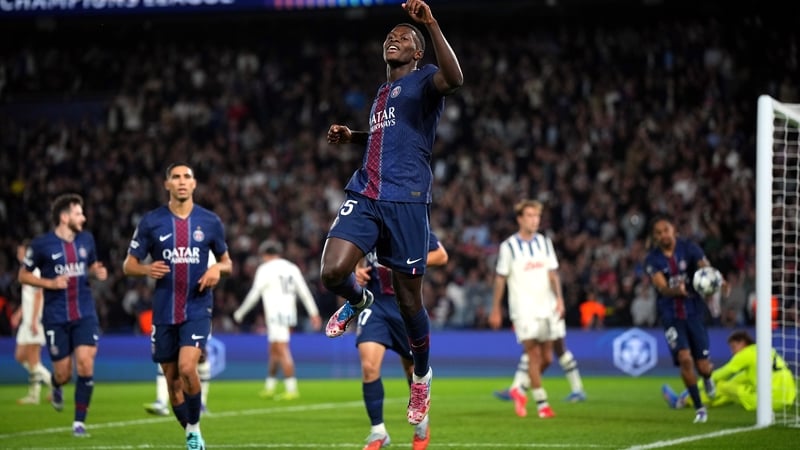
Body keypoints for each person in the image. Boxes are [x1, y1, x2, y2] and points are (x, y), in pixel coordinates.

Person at [319, 0, 462, 427]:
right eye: (389, 37)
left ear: (418, 52)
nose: (393, 40)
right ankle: (358, 299)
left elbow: (455, 78)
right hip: (366, 193)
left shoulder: (425, 82)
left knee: (407, 301)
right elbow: (388, 135)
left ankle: (421, 376)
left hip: (407, 199)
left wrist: (431, 23)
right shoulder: (381, 94)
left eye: (403, 38)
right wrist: (355, 136)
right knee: (331, 272)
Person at [123, 163, 232, 450]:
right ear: (167, 184)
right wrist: (146, 270)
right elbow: (128, 265)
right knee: (172, 383)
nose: (182, 182)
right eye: (176, 177)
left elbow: (227, 262)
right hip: (164, 310)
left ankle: (195, 429)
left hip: (197, 306)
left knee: (187, 368)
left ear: (194, 184)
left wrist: (216, 270)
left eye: (187, 177)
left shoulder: (210, 221)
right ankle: (189, 431)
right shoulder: (151, 221)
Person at [17, 193, 108, 437]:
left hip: (84, 312)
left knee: (86, 363)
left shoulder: (87, 240)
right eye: (79, 213)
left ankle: (79, 422)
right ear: (64, 217)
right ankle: (57, 385)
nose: (84, 218)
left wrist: (95, 271)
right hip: (56, 316)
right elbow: (23, 275)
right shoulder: (41, 245)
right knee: (63, 373)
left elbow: (89, 266)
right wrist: (50, 282)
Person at [358, 233, 447, 450]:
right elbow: (358, 254)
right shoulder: (370, 223)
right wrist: (357, 270)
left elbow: (441, 256)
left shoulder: (412, 222)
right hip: (374, 304)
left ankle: (421, 424)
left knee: (412, 370)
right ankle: (378, 431)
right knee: (369, 366)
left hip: (405, 306)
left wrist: (406, 262)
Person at [644, 214, 727, 424]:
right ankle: (700, 408)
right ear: (655, 237)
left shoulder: (688, 248)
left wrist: (719, 281)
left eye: (666, 230)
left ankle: (707, 378)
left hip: (694, 312)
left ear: (674, 231)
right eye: (659, 233)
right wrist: (675, 290)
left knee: (703, 366)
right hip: (671, 315)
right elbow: (661, 286)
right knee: (684, 358)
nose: (663, 235)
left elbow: (704, 266)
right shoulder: (652, 259)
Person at [488, 199, 565, 419]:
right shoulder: (508, 246)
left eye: (537, 216)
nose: (534, 220)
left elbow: (553, 273)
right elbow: (500, 279)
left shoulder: (544, 242)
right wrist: (495, 308)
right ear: (520, 219)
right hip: (523, 309)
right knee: (533, 355)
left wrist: (559, 299)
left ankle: (519, 389)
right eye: (530, 216)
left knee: (548, 358)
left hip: (547, 306)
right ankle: (543, 405)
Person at [232, 239, 322, 400]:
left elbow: (254, 294)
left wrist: (240, 313)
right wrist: (313, 313)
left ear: (265, 255)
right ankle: (270, 386)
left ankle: (291, 388)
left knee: (281, 349)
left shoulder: (265, 269)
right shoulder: (291, 268)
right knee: (274, 350)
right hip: (288, 313)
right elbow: (304, 292)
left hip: (274, 313)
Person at [662, 329, 797, 412]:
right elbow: (738, 379)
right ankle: (691, 402)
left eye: (733, 347)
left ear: (743, 343)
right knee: (730, 391)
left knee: (721, 386)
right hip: (788, 397)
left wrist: (693, 388)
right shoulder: (763, 351)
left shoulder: (746, 354)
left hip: (771, 399)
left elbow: (723, 373)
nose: (733, 352)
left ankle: (682, 400)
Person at [12, 240, 53, 405]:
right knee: (20, 356)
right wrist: (18, 314)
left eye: (21, 252)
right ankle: (45, 388)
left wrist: (35, 321)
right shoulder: (26, 271)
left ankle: (42, 391)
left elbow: (38, 296)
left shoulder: (35, 271)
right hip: (27, 320)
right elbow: (28, 298)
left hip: (34, 321)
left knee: (33, 359)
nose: (18, 255)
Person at [493, 334, 587, 405]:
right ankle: (518, 389)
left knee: (536, 349)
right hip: (547, 315)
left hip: (545, 316)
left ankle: (519, 390)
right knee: (556, 350)